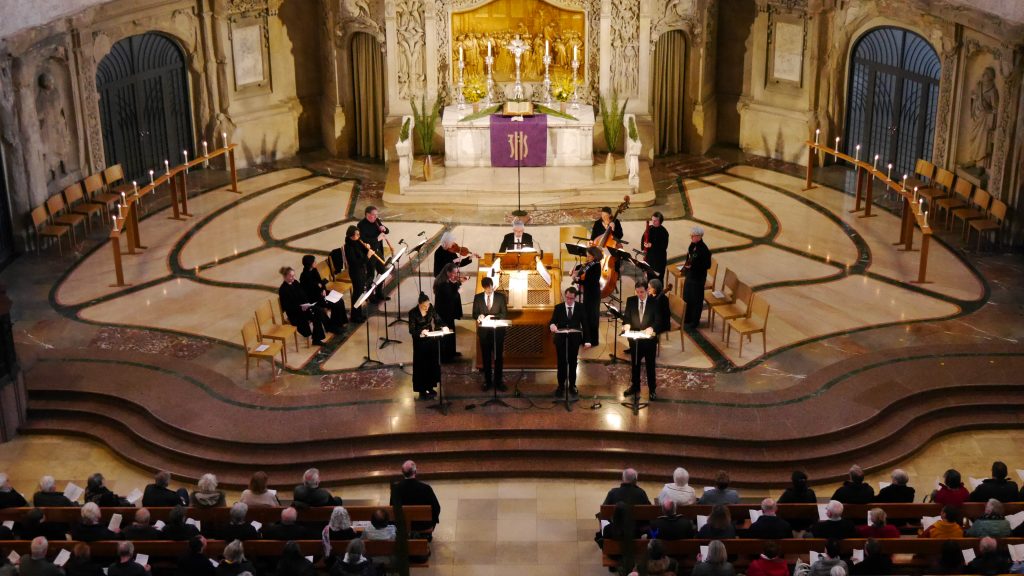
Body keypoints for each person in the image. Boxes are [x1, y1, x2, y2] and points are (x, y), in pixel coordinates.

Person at [621, 280, 659, 400]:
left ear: (647, 290)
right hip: (635, 340)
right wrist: (626, 324)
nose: (640, 295)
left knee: (650, 365)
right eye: (637, 292)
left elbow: (659, 320)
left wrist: (652, 327)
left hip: (649, 341)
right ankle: (635, 386)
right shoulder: (631, 300)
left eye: (642, 292)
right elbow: (627, 317)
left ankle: (652, 389)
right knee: (635, 364)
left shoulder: (654, 302)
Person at [549, 287, 588, 398]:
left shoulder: (580, 307)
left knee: (572, 362)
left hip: (574, 340)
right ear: (565, 296)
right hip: (561, 340)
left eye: (571, 298)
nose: (569, 300)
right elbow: (553, 321)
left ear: (575, 298)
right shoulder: (559, 307)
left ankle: (572, 385)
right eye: (567, 298)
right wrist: (551, 325)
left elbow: (585, 324)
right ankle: (560, 386)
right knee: (561, 363)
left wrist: (587, 340)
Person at [473, 276, 508, 392]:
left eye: (491, 287)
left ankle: (499, 382)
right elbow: (474, 314)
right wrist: (479, 316)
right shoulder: (478, 298)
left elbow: (504, 314)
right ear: (483, 288)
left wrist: (491, 317)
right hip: (484, 333)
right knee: (486, 358)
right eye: (487, 288)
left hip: (497, 332)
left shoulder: (500, 297)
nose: (489, 290)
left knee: (498, 358)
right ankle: (487, 382)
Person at [389, 460, 441, 537]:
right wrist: (432, 523)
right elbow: (436, 508)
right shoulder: (426, 488)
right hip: (423, 525)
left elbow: (392, 507)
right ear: (415, 472)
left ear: (402, 472)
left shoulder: (396, 489)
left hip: (403, 525)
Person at [408, 292, 444, 399]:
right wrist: (420, 332)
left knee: (431, 364)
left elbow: (438, 319)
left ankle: (430, 387)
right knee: (421, 366)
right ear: (419, 305)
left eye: (428, 305)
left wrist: (443, 326)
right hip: (419, 342)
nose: (427, 308)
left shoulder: (430, 308)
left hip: (430, 340)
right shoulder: (413, 313)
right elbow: (411, 330)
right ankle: (422, 390)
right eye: (424, 306)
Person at [279, 266, 327, 346]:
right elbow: (287, 307)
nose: (293, 278)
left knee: (318, 311)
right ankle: (315, 338)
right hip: (295, 313)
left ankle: (317, 338)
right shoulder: (283, 290)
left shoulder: (296, 282)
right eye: (291, 276)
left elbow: (303, 295)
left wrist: (307, 304)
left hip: (304, 307)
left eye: (294, 275)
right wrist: (301, 308)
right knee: (310, 316)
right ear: (285, 276)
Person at [300, 254, 348, 331]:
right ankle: (334, 325)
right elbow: (310, 291)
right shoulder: (304, 276)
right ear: (310, 264)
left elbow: (320, 283)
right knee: (335, 303)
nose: (316, 262)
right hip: (315, 299)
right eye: (314, 261)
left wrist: (322, 289)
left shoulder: (314, 270)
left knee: (339, 300)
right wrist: (320, 289)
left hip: (321, 293)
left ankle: (339, 323)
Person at [433, 263, 464, 362]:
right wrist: (458, 291)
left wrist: (458, 283)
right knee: (446, 334)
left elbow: (452, 286)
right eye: (454, 273)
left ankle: (452, 352)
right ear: (448, 272)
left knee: (451, 332)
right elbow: (450, 298)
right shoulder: (442, 284)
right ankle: (445, 356)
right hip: (443, 313)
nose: (455, 275)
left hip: (448, 312)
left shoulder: (445, 281)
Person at [682, 226, 711, 328]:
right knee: (687, 296)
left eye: (693, 236)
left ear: (699, 236)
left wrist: (693, 266)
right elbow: (690, 256)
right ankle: (687, 318)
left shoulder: (704, 249)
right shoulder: (693, 245)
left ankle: (694, 322)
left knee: (696, 300)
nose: (691, 237)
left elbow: (707, 265)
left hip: (698, 278)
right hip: (690, 276)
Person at [574, 246, 603, 346]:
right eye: (587, 256)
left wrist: (578, 280)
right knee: (586, 317)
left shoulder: (596, 265)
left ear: (595, 256)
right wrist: (575, 271)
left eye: (589, 256)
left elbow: (590, 281)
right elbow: (582, 268)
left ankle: (593, 340)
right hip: (588, 293)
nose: (587, 258)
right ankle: (587, 339)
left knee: (592, 317)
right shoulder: (590, 264)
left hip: (593, 294)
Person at [344, 225, 372, 323]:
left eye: (359, 234)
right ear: (351, 236)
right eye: (357, 234)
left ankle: (359, 314)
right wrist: (368, 256)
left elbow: (362, 252)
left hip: (361, 271)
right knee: (357, 293)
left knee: (360, 293)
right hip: (355, 272)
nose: (359, 236)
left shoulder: (357, 242)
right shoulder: (348, 247)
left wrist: (367, 248)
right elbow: (355, 263)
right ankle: (355, 316)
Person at [357, 205, 389, 277]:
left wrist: (384, 228)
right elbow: (363, 240)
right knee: (371, 275)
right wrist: (377, 239)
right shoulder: (361, 225)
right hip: (369, 253)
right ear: (367, 215)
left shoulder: (376, 221)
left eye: (377, 215)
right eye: (374, 215)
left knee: (382, 272)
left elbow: (386, 232)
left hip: (378, 250)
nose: (376, 217)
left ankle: (379, 288)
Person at [642, 211, 669, 281]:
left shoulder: (664, 232)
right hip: (649, 259)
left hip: (659, 261)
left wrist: (652, 245)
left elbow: (663, 247)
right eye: (652, 220)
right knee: (649, 280)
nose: (653, 222)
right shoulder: (649, 228)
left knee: (657, 281)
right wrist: (644, 246)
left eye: (655, 221)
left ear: (660, 221)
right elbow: (643, 238)